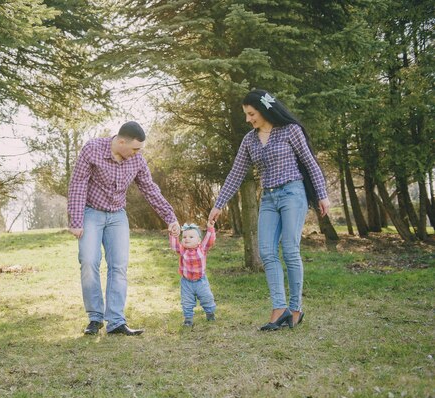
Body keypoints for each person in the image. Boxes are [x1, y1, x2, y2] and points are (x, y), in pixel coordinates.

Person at [208, 89, 330, 331]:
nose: (248, 119)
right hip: (269, 198)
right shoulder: (249, 140)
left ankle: (295, 309)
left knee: (290, 250)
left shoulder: (290, 131)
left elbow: (310, 162)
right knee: (266, 252)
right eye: (246, 114)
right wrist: (218, 204)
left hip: (293, 193)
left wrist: (322, 195)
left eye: (251, 113)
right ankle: (279, 307)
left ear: (263, 110)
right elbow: (236, 173)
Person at [68, 121, 181, 336]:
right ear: (121, 142)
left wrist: (170, 217)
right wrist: (75, 220)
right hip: (91, 212)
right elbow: (78, 183)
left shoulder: (136, 159)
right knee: (89, 261)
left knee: (118, 267)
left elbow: (150, 188)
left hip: (118, 215)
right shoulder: (92, 149)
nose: (138, 153)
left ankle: (116, 322)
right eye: (135, 148)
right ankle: (95, 318)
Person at [169, 221, 217, 327]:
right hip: (186, 282)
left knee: (206, 298)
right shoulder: (182, 250)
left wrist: (210, 229)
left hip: (201, 281)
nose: (187, 239)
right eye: (184, 237)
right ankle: (188, 319)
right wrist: (173, 234)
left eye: (191, 237)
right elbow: (174, 246)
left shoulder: (202, 248)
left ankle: (210, 313)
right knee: (186, 301)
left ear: (199, 240)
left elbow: (209, 241)